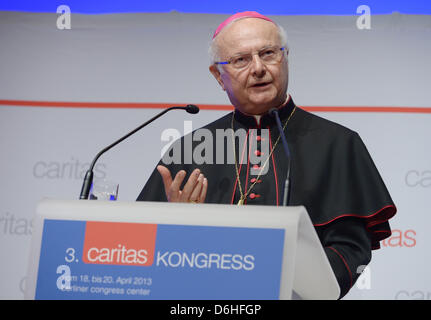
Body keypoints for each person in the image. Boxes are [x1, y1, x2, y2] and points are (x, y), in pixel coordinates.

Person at [137, 11, 397, 299]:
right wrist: (177, 229)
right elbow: (143, 256)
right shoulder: (189, 150)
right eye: (241, 59)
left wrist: (286, 285)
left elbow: (351, 251)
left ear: (285, 58)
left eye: (268, 53)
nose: (258, 68)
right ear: (219, 76)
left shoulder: (338, 143)